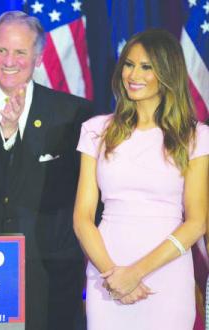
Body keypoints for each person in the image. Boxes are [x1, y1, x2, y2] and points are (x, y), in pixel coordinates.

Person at [0, 11, 92, 330]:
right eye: (1, 50)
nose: (9, 60)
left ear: (39, 58)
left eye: (20, 52)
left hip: (51, 270)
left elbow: (85, 194)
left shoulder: (73, 114)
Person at [73, 29, 208, 329]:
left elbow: (197, 222)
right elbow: (82, 218)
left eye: (146, 66)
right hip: (107, 271)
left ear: (167, 72)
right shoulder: (96, 130)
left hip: (167, 273)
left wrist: (135, 273)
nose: (133, 74)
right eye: (129, 64)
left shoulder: (196, 136)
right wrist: (114, 275)